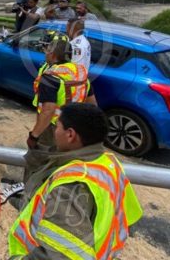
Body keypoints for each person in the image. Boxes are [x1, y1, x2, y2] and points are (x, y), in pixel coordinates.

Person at [9, 103, 143, 259]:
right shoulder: (109, 163)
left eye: (57, 127)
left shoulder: (70, 187)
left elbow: (57, 255)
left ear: (70, 135)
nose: (55, 132)